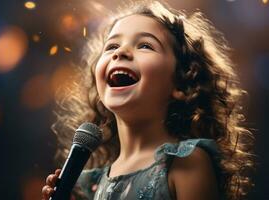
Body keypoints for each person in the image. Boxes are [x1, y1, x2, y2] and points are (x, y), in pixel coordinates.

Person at [42, 1, 254, 199]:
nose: (121, 52)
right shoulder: (94, 184)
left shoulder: (186, 162)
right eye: (112, 46)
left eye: (145, 46)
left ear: (181, 82)